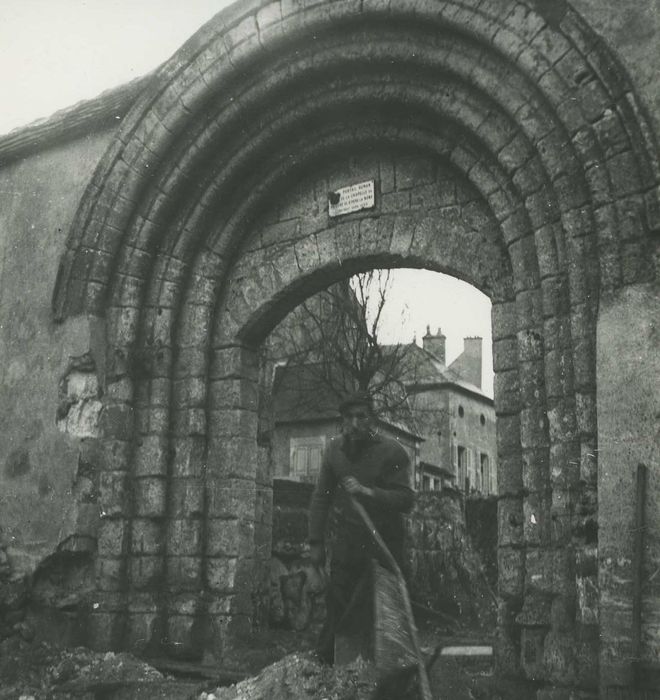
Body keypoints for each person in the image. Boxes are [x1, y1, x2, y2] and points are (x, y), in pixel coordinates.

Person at [308, 390, 415, 664]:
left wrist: (369, 493)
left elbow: (406, 499)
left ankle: (386, 673)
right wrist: (316, 546)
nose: (354, 424)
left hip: (383, 546)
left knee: (382, 614)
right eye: (348, 418)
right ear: (342, 420)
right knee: (339, 608)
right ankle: (330, 671)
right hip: (348, 543)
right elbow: (321, 499)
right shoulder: (334, 451)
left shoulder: (392, 451)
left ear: (372, 419)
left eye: (361, 417)